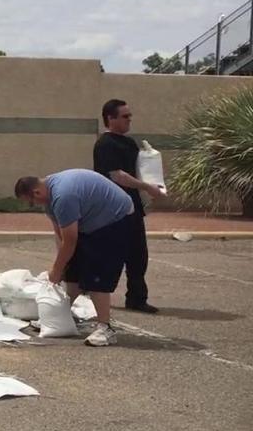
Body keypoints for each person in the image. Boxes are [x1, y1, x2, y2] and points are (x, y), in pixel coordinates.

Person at [14, 169, 135, 347]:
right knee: (74, 273)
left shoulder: (63, 197)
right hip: (90, 221)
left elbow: (70, 240)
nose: (35, 205)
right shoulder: (49, 196)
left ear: (36, 192)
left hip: (114, 220)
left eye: (32, 202)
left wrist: (56, 270)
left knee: (96, 276)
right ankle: (58, 316)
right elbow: (61, 235)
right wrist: (62, 266)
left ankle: (105, 328)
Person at [94, 99, 164, 313]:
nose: (129, 120)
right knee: (109, 255)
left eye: (129, 116)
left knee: (138, 255)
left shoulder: (129, 143)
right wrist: (147, 186)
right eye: (125, 116)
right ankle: (91, 293)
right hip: (112, 210)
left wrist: (154, 181)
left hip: (133, 207)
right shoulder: (105, 144)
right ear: (110, 118)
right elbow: (117, 175)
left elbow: (137, 171)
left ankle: (136, 298)